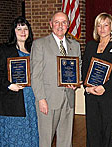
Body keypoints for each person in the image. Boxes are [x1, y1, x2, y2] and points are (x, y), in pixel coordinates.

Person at [30, 11, 81, 147]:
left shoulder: (75, 46)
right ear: (51, 24)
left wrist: (76, 82)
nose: (60, 25)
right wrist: (41, 99)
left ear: (68, 25)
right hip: (48, 99)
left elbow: (78, 68)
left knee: (66, 139)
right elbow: (35, 75)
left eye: (64, 22)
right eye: (57, 22)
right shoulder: (40, 44)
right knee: (46, 140)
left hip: (68, 98)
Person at [0, 16, 39, 146]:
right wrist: (9, 85)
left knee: (30, 132)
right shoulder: (4, 50)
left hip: (30, 100)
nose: (23, 32)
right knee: (14, 135)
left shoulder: (34, 50)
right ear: (13, 31)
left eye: (25, 28)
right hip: (12, 101)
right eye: (19, 29)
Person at [81, 12, 112, 147]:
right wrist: (87, 87)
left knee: (108, 133)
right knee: (93, 131)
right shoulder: (90, 45)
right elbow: (85, 69)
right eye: (99, 25)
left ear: (111, 27)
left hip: (110, 96)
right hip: (92, 96)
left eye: (105, 25)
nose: (102, 29)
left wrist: (104, 87)